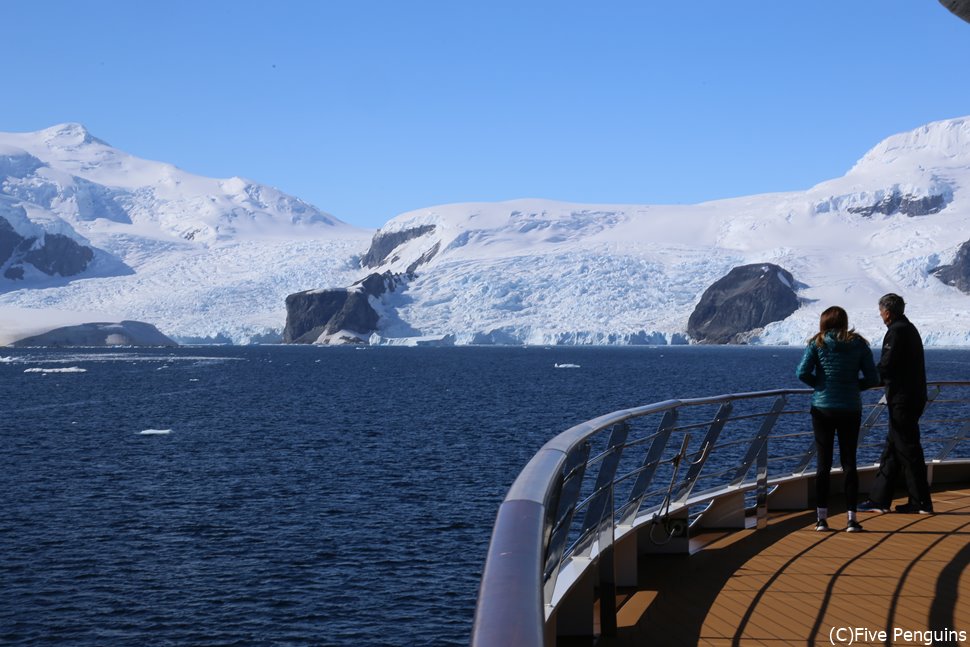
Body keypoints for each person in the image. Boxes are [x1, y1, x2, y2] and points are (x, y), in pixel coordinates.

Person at [797, 306, 879, 532]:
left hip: (822, 408)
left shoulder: (818, 343)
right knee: (849, 463)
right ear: (845, 321)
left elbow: (801, 372)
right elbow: (873, 378)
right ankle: (852, 519)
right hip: (850, 408)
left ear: (824, 322)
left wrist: (822, 386)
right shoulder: (859, 344)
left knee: (823, 464)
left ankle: (821, 519)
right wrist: (853, 387)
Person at [858, 294, 933, 514]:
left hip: (902, 399)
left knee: (908, 449)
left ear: (888, 312)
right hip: (912, 396)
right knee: (893, 449)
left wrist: (861, 383)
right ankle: (879, 499)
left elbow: (887, 367)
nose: (880, 314)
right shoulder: (909, 329)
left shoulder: (896, 332)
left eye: (881, 311)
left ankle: (921, 502)